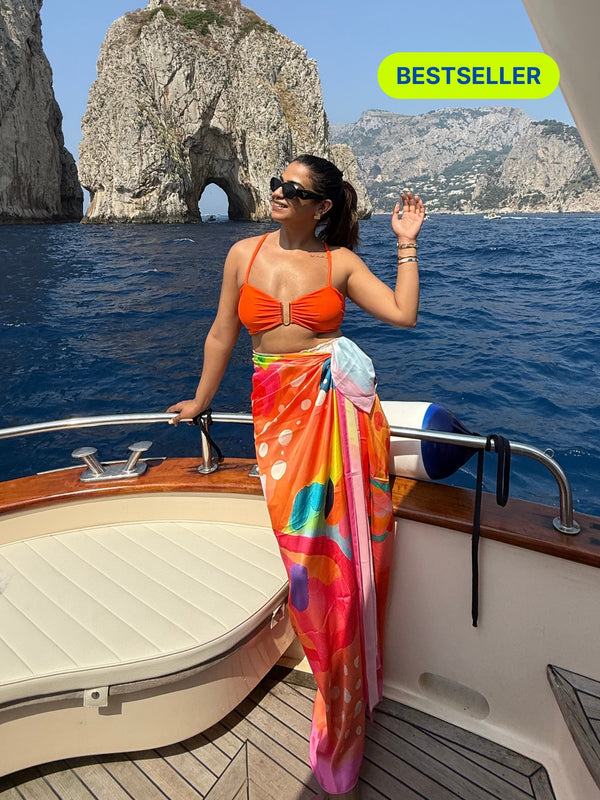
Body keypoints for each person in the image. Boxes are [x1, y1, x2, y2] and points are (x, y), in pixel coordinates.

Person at [168, 154, 425, 799]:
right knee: (302, 556)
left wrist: (407, 245)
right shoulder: (243, 255)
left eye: (294, 189)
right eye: (276, 184)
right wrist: (201, 399)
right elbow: (222, 333)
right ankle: (335, 677)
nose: (278, 193)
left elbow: (402, 314)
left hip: (339, 421)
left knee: (342, 559)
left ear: (322, 207)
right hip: (279, 420)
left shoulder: (339, 263)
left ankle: (343, 699)